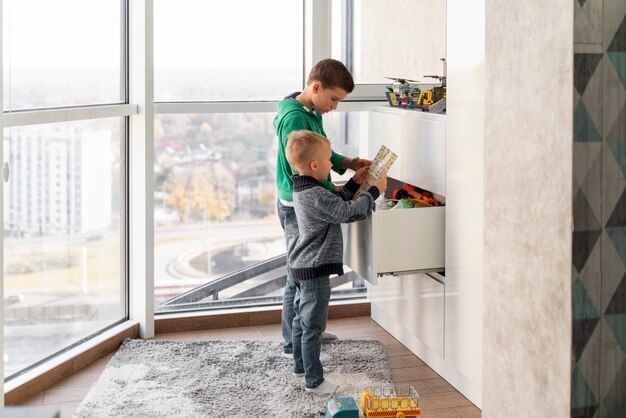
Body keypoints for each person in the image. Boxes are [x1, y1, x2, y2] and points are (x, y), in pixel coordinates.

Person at [274, 58, 371, 360]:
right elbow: (304, 168)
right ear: (316, 87)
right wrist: (341, 193)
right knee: (299, 275)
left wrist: (346, 163)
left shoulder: (308, 110)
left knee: (300, 274)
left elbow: (319, 151)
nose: (335, 106)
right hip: (297, 205)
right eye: (334, 99)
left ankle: (306, 330)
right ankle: (295, 340)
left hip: (306, 199)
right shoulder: (295, 119)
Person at [285, 129, 387, 393]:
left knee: (301, 320)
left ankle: (300, 366)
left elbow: (334, 204)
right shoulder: (316, 195)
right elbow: (346, 212)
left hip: (301, 265)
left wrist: (354, 184)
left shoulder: (305, 188)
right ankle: (314, 381)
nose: (333, 165)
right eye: (330, 161)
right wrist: (373, 192)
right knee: (313, 327)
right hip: (315, 269)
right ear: (315, 165)